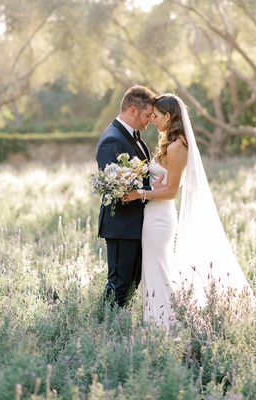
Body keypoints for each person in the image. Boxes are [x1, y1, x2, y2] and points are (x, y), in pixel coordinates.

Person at [123, 94, 254, 329]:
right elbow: (163, 183)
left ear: (168, 116)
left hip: (160, 217)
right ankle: (158, 321)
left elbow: (171, 190)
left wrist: (138, 194)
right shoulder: (172, 144)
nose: (152, 120)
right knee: (154, 268)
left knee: (157, 268)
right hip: (154, 214)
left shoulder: (177, 147)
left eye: (156, 116)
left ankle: (164, 324)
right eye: (150, 115)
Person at [95, 85, 161, 308]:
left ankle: (114, 330)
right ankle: (103, 329)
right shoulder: (112, 140)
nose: (149, 120)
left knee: (132, 283)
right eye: (147, 115)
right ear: (133, 110)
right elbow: (113, 187)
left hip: (137, 225)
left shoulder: (136, 138)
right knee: (118, 285)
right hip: (121, 226)